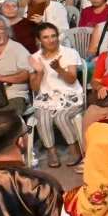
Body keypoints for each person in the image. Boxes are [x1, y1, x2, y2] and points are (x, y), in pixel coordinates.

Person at [28, 23, 84, 169]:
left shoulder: (69, 53)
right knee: (43, 117)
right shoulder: (34, 58)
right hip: (47, 97)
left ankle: (74, 150)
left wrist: (59, 68)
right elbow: (34, 87)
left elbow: (72, 79)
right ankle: (51, 152)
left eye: (53, 36)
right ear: (39, 40)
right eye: (46, 37)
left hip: (70, 96)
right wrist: (40, 72)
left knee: (60, 117)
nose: (51, 40)